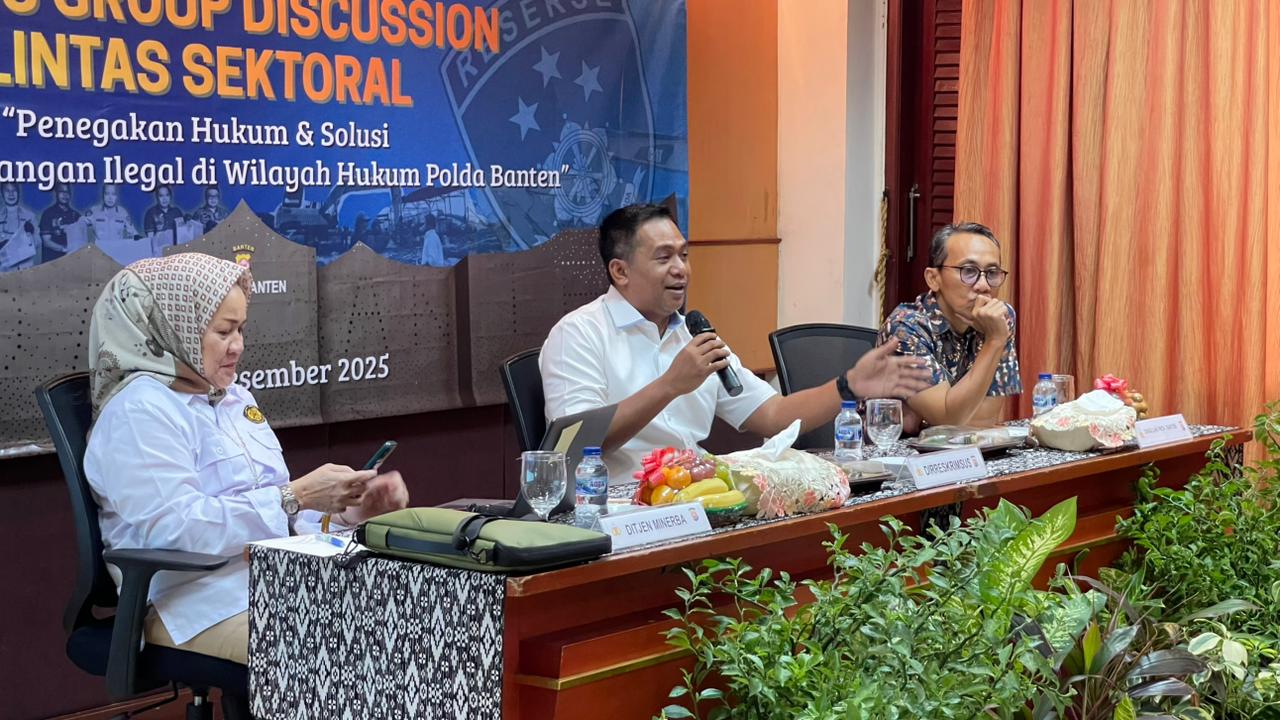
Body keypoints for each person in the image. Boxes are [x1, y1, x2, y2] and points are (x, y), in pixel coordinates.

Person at [83, 253, 409, 665]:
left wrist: (347, 511)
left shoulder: (232, 397)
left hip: (270, 577)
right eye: (223, 331)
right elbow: (176, 530)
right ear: (172, 328)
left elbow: (274, 513)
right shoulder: (139, 411)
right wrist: (295, 496)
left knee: (411, 609)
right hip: (196, 601)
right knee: (361, 646)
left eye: (241, 329)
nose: (238, 345)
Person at [540, 204, 934, 480]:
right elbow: (579, 444)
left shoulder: (693, 333)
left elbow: (773, 415)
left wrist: (848, 386)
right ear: (620, 271)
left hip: (694, 498)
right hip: (616, 508)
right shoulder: (578, 334)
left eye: (684, 255)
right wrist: (670, 385)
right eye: (664, 258)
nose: (681, 270)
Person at [878, 222, 1022, 428]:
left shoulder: (999, 318)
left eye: (992, 273)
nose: (983, 286)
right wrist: (994, 341)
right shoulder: (904, 328)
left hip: (968, 445)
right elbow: (948, 420)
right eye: (968, 271)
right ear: (933, 279)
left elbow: (987, 418)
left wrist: (931, 418)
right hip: (893, 447)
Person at [84, 183, 147, 265]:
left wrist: (143, 242)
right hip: (99, 254)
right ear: (102, 195)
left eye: (113, 194)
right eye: (107, 193)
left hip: (117, 255)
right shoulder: (94, 211)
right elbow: (81, 227)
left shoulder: (122, 212)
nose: (110, 198)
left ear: (117, 196)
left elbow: (133, 232)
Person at [39, 183, 83, 261]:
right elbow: (46, 242)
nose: (65, 195)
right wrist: (64, 249)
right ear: (56, 193)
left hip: (71, 261)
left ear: (70, 195)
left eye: (67, 192)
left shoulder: (76, 216)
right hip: (52, 261)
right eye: (62, 192)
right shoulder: (48, 214)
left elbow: (80, 241)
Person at [0, 182, 37, 271]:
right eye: (7, 191)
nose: (11, 194)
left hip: (25, 269)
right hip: (3, 270)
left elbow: (38, 242)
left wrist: (30, 236)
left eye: (14, 191)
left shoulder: (29, 216)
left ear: (18, 193)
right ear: (2, 194)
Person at [143, 184, 185, 252]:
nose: (164, 199)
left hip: (175, 249)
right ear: (157, 197)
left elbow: (182, 233)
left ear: (170, 196)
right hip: (158, 251)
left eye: (167, 195)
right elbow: (150, 239)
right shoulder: (150, 213)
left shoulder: (177, 212)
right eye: (161, 196)